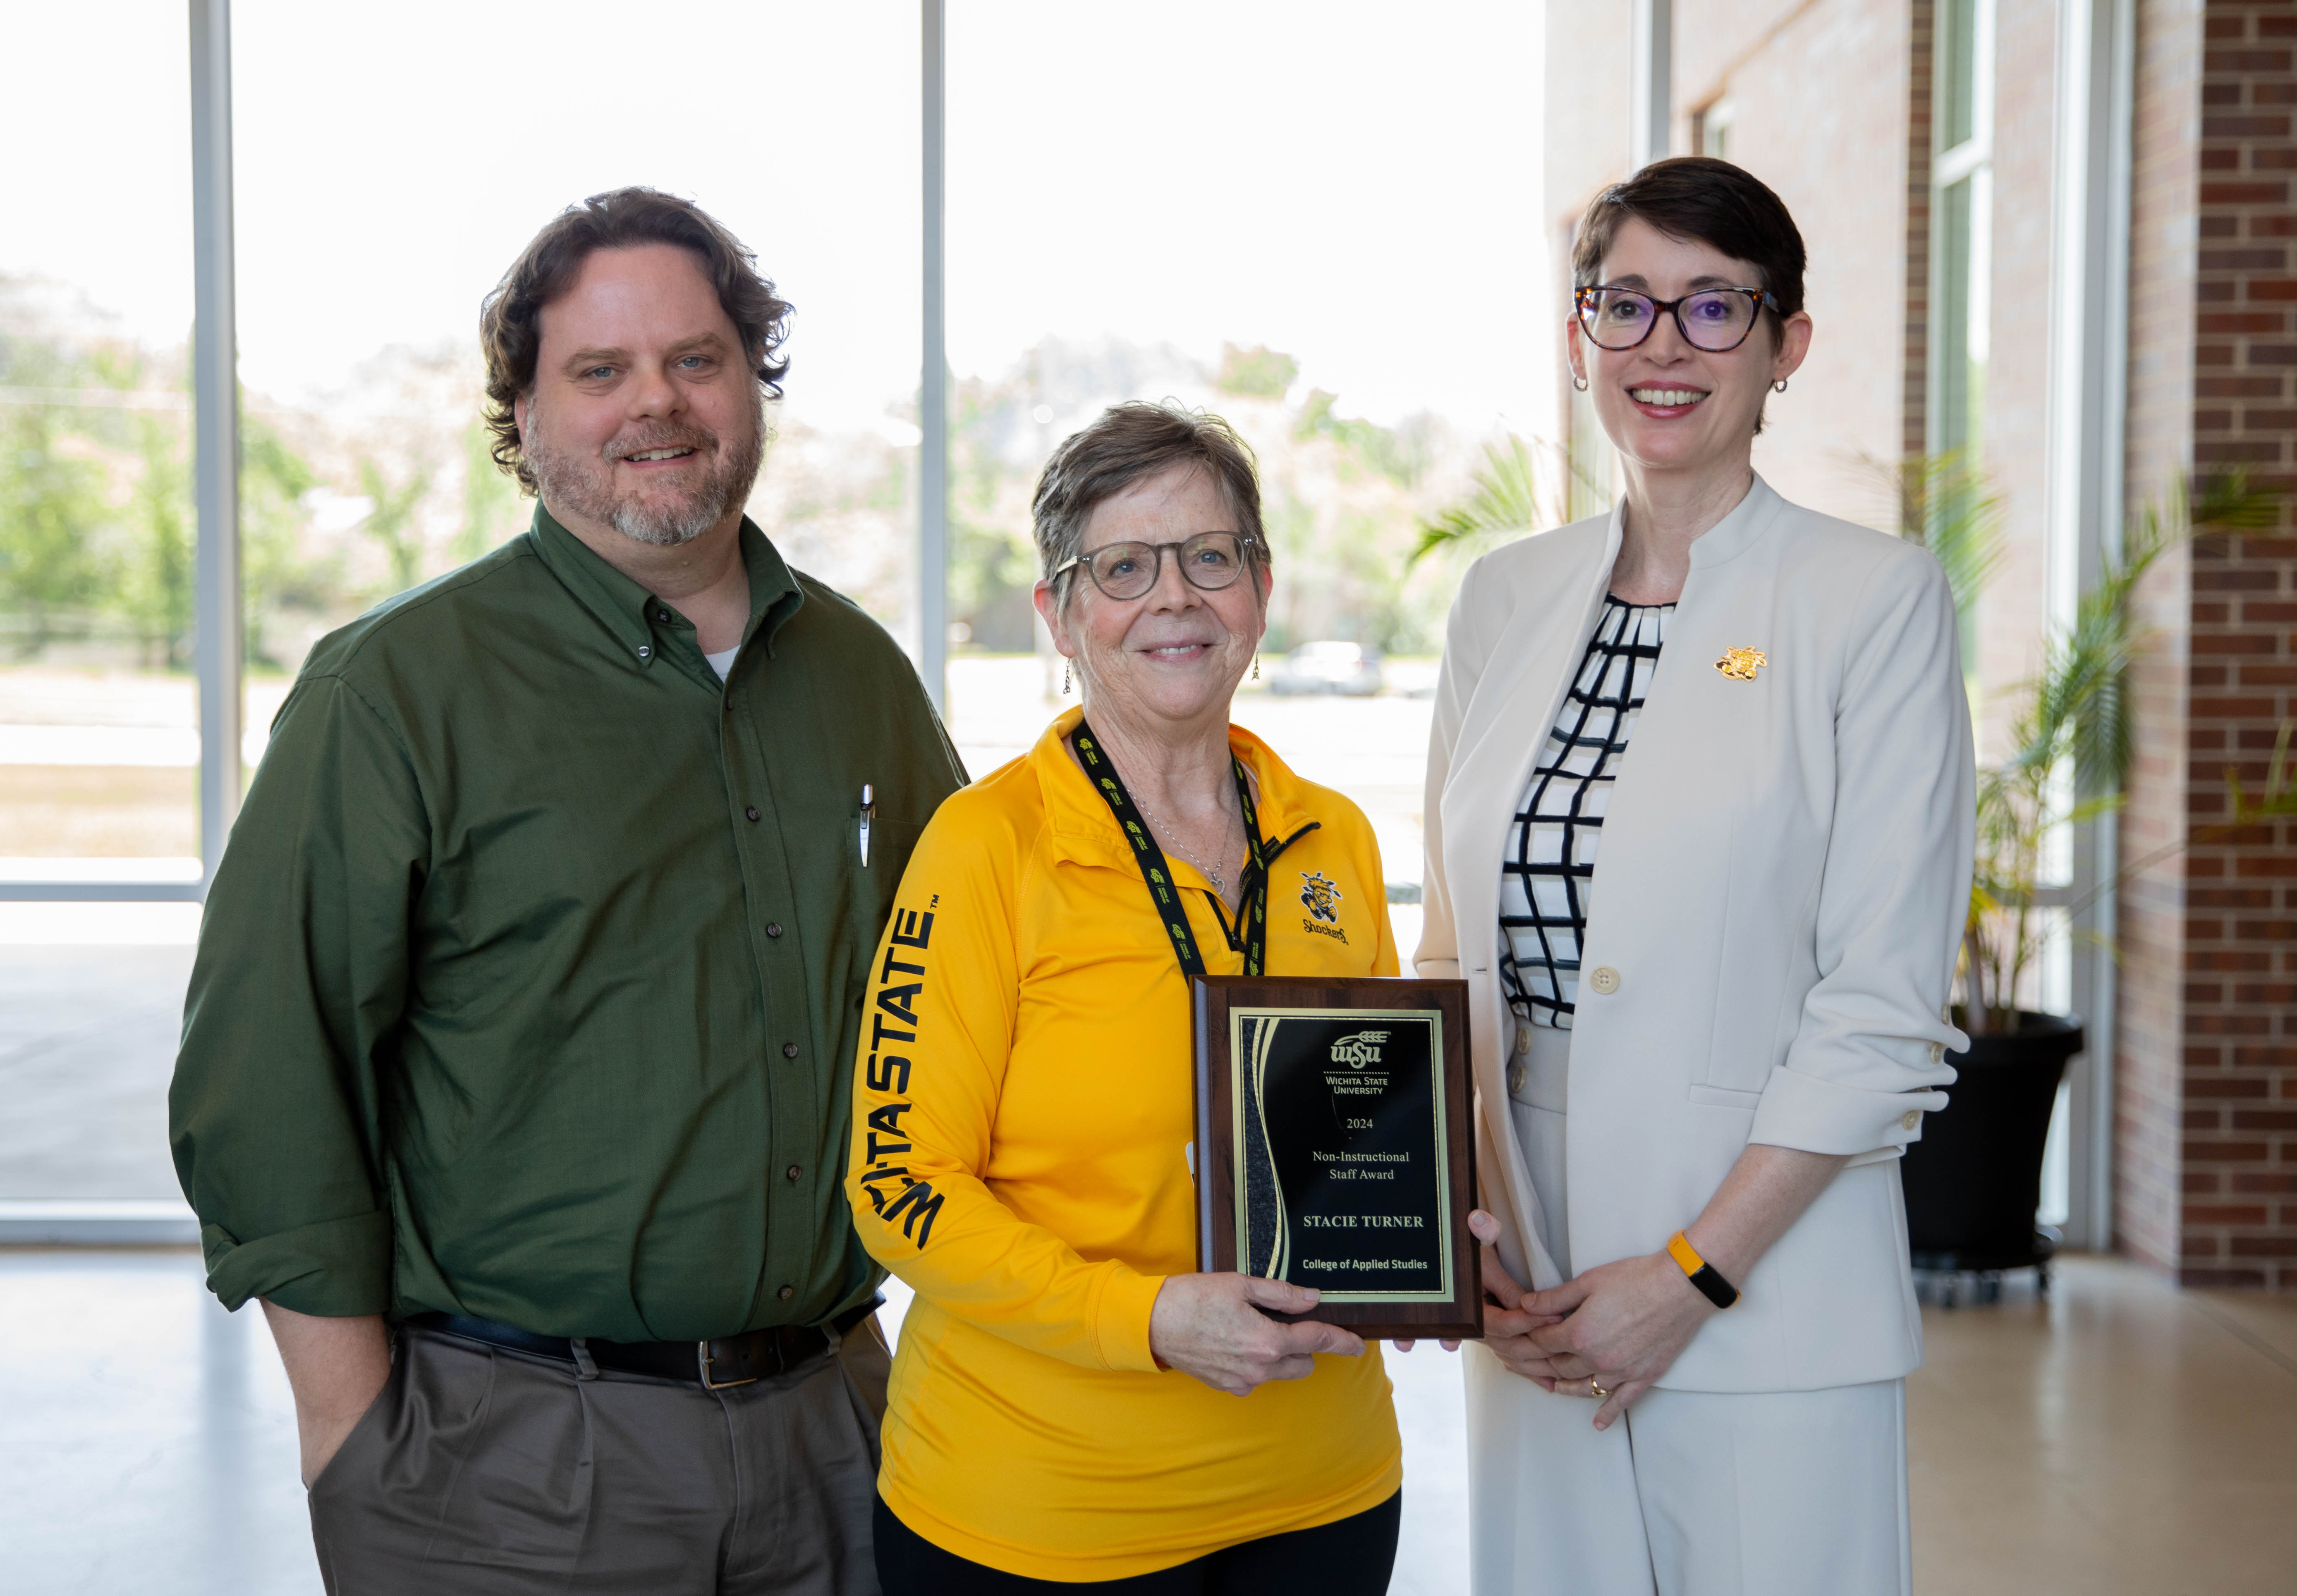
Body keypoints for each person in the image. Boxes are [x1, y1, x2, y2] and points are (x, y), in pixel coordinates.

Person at [168, 186, 962, 1594]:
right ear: (525, 418)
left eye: (696, 358)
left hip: (842, 1435)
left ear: (753, 385)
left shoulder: (861, 679)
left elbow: (978, 997)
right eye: (601, 370)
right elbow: (266, 1068)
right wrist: (351, 1430)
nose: (657, 401)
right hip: (512, 1464)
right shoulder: (394, 690)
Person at [1418, 156, 1972, 1595]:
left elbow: (1882, 1007)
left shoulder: (1872, 600)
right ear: (1580, 338)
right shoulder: (1502, 598)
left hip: (1769, 1290)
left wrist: (1694, 1275)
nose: (1664, 344)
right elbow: (1447, 955)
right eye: (1627, 303)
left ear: (1787, 344)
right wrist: (1469, 1248)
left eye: (1714, 306)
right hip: (1533, 1287)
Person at [847, 402, 1406, 1593]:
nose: (1176, 597)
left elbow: (1371, 1128)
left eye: (1210, 556)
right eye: (1124, 568)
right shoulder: (986, 848)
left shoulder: (1335, 839)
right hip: (1044, 1514)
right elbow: (900, 1187)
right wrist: (1144, 1319)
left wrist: (1429, 1237)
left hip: (1325, 1489)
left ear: (1260, 586)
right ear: (1059, 614)